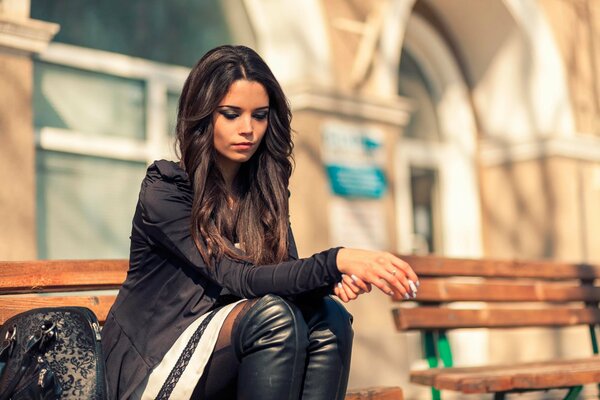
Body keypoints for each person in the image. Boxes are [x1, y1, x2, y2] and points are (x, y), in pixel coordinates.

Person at [102, 44, 419, 400]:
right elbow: (237, 277)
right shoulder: (167, 192)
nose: (248, 129)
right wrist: (336, 260)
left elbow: (281, 273)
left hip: (229, 353)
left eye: (259, 115)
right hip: (153, 364)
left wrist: (327, 283)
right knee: (274, 319)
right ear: (203, 115)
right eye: (231, 114)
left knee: (330, 317)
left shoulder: (264, 191)